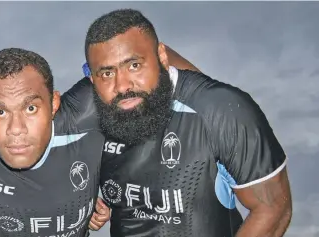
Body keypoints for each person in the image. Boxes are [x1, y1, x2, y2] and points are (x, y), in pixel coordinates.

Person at [81, 9, 292, 237]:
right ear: (92, 78)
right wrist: (86, 201)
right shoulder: (94, 114)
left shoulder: (220, 109)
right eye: (107, 73)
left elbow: (273, 208)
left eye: (134, 65)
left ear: (161, 57)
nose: (122, 85)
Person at [0, 48, 107, 237]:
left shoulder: (85, 116)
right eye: (1, 112)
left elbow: (130, 58)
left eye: (31, 108)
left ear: (54, 104)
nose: (16, 128)